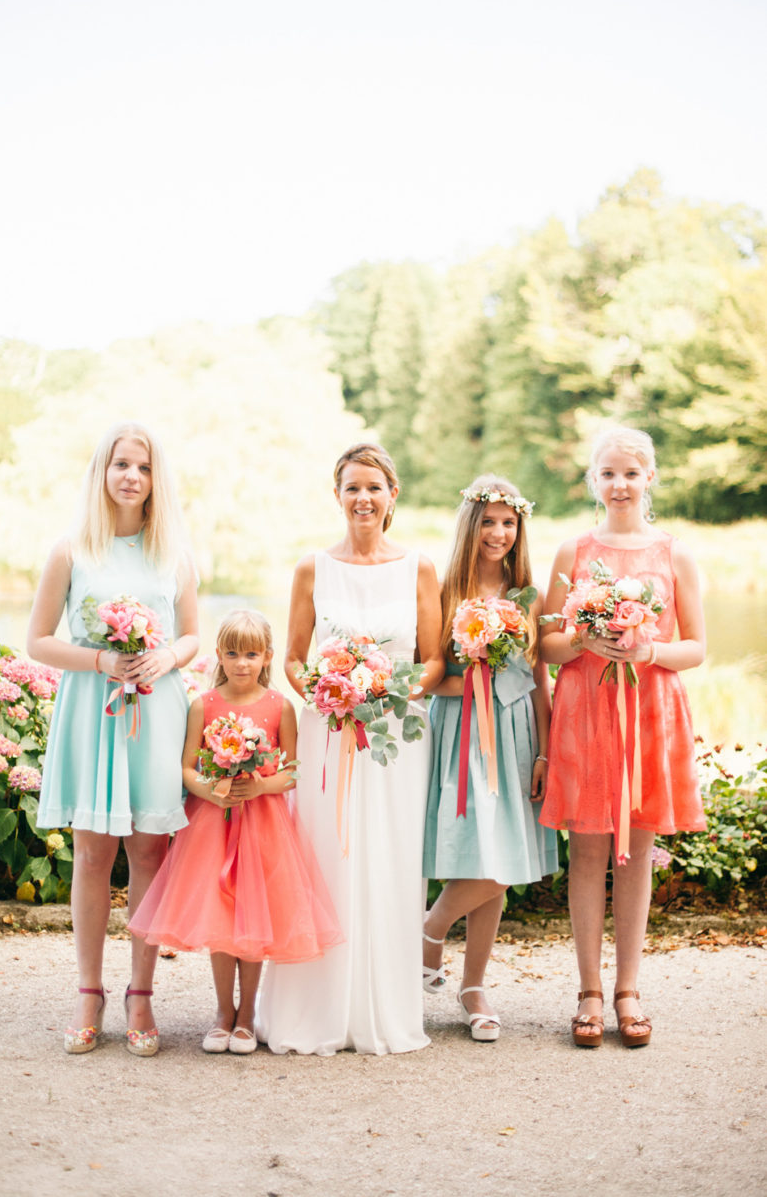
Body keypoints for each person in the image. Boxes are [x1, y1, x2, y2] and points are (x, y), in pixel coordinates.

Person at [256, 442, 445, 1055]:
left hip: (394, 735)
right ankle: (312, 1009)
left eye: (374, 488)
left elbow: (435, 661)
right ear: (336, 495)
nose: (363, 499)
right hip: (330, 733)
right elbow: (290, 657)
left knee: (389, 860)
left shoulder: (419, 567)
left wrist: (385, 690)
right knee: (324, 859)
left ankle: (383, 1008)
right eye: (351, 488)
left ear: (394, 495)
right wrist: (329, 692)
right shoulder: (312, 569)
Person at [29, 421, 199, 1057]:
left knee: (149, 853)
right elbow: (38, 641)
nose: (132, 476)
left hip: (155, 712)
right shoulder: (71, 550)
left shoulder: (173, 554)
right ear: (103, 471)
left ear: (158, 481)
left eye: (144, 468)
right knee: (93, 854)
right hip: (91, 710)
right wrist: (101, 662)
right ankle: (89, 991)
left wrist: (165, 659)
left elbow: (191, 636)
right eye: (122, 464)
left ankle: (142, 993)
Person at [539, 426, 706, 1048]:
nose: (620, 484)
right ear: (593, 481)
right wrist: (585, 639)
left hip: (650, 708)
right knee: (587, 852)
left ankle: (628, 989)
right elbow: (549, 645)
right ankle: (586, 990)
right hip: (585, 709)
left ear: (650, 478)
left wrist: (647, 649)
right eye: (608, 473)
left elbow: (696, 647)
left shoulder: (674, 554)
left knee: (634, 854)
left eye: (631, 474)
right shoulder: (572, 553)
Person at [129, 609, 342, 1054]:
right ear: (219, 657)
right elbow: (187, 767)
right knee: (220, 919)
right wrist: (210, 790)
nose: (241, 663)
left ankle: (248, 1016)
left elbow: (293, 770)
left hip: (264, 825)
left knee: (256, 917)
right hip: (212, 824)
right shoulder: (203, 705)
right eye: (232, 653)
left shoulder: (279, 706)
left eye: (251, 654)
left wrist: (261, 784)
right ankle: (223, 1011)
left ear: (267, 656)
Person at [422, 476, 559, 1040]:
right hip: (459, 728)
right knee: (483, 852)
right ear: (470, 525)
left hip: (515, 729)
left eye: (509, 523)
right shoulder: (442, 588)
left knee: (502, 856)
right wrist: (463, 684)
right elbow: (426, 672)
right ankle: (433, 937)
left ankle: (467, 979)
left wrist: (546, 750)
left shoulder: (528, 595)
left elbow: (539, 678)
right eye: (488, 521)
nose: (499, 533)